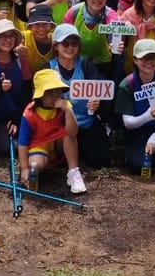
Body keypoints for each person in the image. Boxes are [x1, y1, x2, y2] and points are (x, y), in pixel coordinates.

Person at [48, 24, 112, 168]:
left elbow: (101, 88)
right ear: (56, 46)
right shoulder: (48, 68)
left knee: (103, 161)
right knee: (57, 163)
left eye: (74, 43)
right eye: (66, 43)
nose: (70, 47)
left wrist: (98, 101)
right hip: (61, 126)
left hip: (86, 123)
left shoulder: (86, 64)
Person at [17, 69, 87, 194]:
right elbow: (23, 142)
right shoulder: (29, 113)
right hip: (39, 146)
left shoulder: (65, 106)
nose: (55, 96)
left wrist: (68, 110)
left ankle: (73, 172)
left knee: (68, 135)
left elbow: (73, 132)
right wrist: (24, 168)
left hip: (59, 144)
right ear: (40, 95)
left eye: (58, 91)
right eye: (50, 92)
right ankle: (34, 172)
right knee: (36, 165)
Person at [116, 39, 155, 174]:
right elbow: (128, 123)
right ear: (135, 60)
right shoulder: (127, 84)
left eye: (153, 58)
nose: (149, 62)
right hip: (136, 131)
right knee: (137, 167)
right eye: (144, 58)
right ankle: (140, 155)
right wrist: (148, 116)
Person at [0, 19, 32, 155]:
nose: (8, 40)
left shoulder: (20, 61)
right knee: (8, 148)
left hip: (16, 115)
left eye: (11, 35)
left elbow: (26, 94)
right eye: (3, 36)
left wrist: (17, 120)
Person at [64, 0, 121, 80]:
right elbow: (65, 38)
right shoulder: (73, 13)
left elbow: (116, 30)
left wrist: (117, 44)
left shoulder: (110, 15)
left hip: (103, 65)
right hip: (76, 63)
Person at [18, 4, 56, 74]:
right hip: (28, 79)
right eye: (36, 24)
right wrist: (16, 48)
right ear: (30, 26)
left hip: (49, 79)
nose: (41, 29)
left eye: (45, 24)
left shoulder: (56, 40)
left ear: (51, 25)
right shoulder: (23, 36)